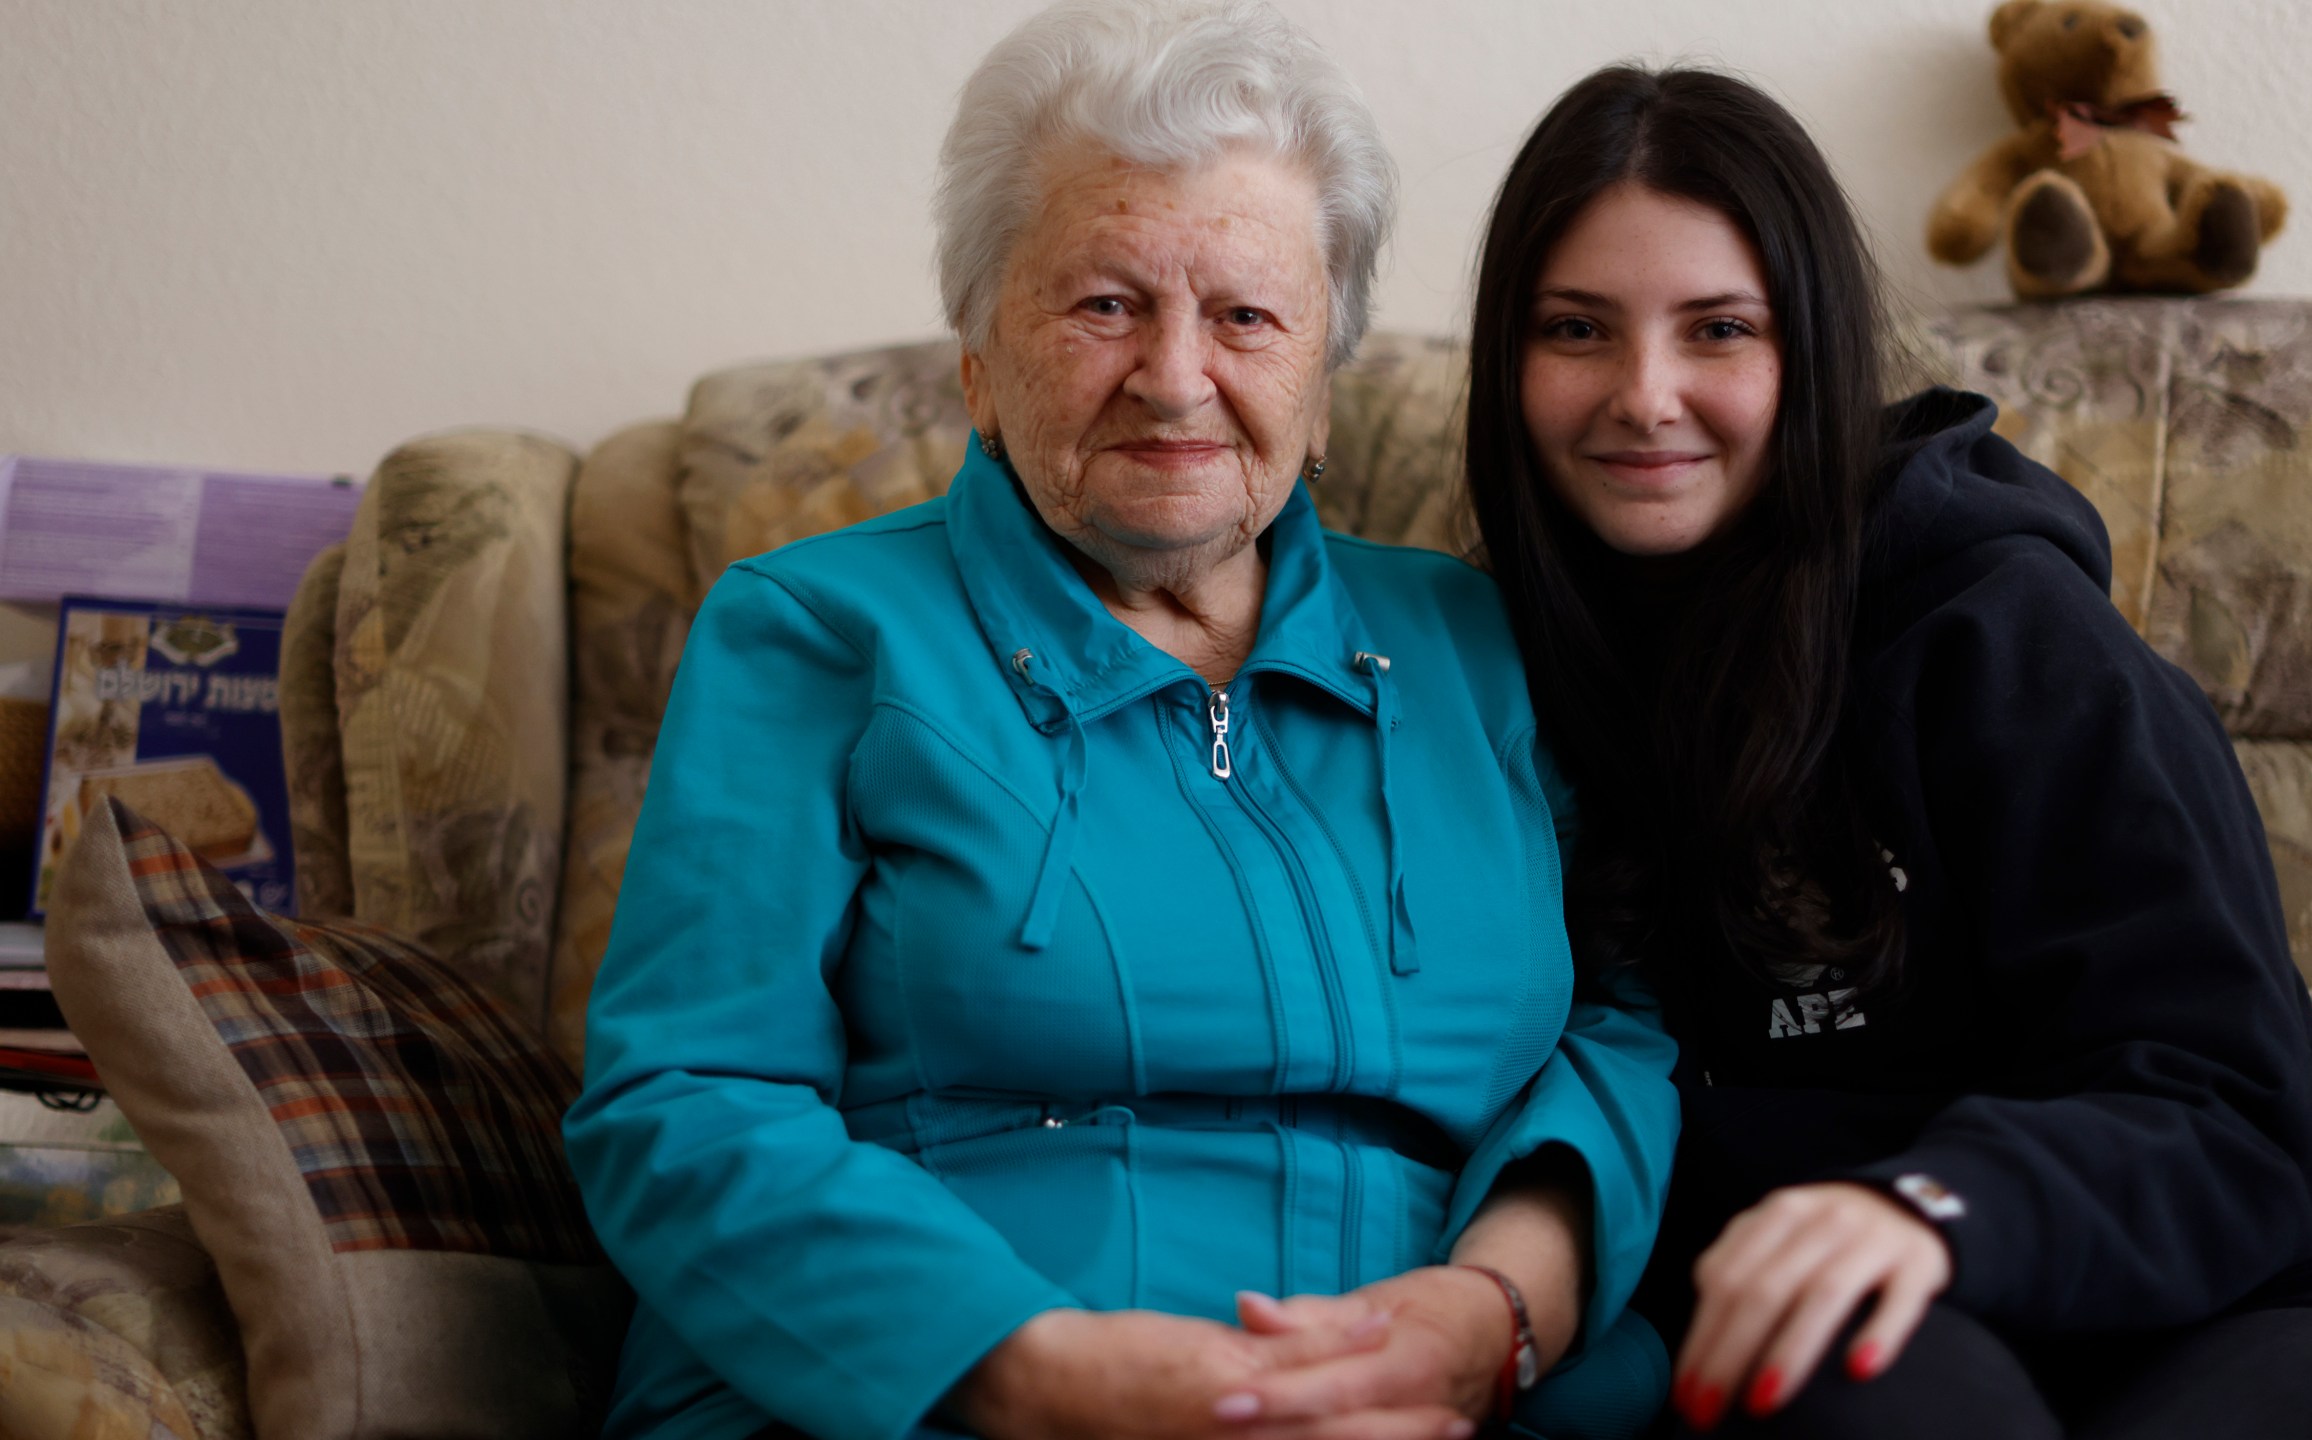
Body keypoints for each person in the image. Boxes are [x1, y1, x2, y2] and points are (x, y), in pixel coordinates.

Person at [562, 6, 1681, 1439]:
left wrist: (1498, 1315)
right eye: (1103, 303)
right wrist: (1043, 1374)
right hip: (947, 1403)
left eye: (1247, 315)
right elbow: (687, 1097)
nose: (1173, 376)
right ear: (975, 356)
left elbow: (1616, 1020)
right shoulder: (816, 634)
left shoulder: (1478, 646)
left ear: (1322, 380)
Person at [1461, 64, 2312, 1439]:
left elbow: (2226, 1111)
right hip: (1870, 1314)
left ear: (1815, 352)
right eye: (1577, 330)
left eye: (1720, 329)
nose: (1645, 394)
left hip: (2272, 1275)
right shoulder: (1483, 676)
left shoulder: (2001, 627)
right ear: (1510, 360)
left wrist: (1929, 1207)